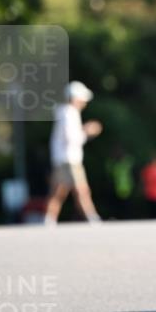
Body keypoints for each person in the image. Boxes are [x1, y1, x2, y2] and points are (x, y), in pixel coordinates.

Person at [44, 81, 103, 224]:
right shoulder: (69, 112)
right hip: (70, 159)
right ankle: (92, 218)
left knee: (59, 191)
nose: (84, 102)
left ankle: (49, 219)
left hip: (62, 159)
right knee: (82, 190)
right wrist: (87, 131)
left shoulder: (64, 112)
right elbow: (71, 137)